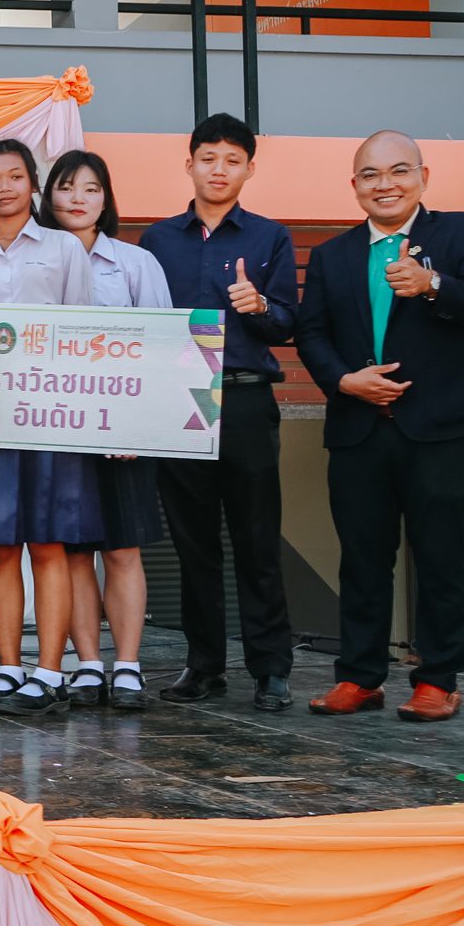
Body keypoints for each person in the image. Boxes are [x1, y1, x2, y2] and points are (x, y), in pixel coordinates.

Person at [296, 131, 464, 722]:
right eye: (370, 174)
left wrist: (432, 283)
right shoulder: (332, 254)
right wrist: (344, 381)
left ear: (423, 176)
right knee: (362, 558)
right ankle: (360, 677)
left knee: (441, 555)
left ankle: (437, 680)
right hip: (360, 428)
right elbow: (311, 331)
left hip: (442, 429)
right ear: (354, 185)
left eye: (398, 171)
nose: (384, 184)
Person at [138, 113, 300, 711]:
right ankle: (203, 664)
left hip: (246, 396)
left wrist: (260, 306)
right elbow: (141, 324)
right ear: (190, 164)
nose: (219, 170)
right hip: (180, 400)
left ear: (249, 170)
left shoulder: (270, 237)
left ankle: (270, 668)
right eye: (209, 158)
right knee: (193, 543)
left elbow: (288, 324)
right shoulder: (157, 241)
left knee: (257, 538)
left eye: (233, 160)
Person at [0, 137, 97, 715]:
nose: (4, 187)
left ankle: (50, 672)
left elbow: (82, 332)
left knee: (49, 543)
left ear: (32, 182)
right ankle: (9, 667)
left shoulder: (63, 249)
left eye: (14, 176)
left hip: (51, 418)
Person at [38, 150, 170, 713]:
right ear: (49, 196)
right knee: (72, 553)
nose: (78, 199)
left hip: (124, 435)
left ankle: (129, 666)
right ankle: (88, 664)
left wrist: (137, 428)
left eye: (91, 189)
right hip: (57, 430)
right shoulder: (34, 262)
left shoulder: (136, 263)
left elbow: (162, 348)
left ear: (106, 199)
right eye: (67, 187)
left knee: (121, 549)